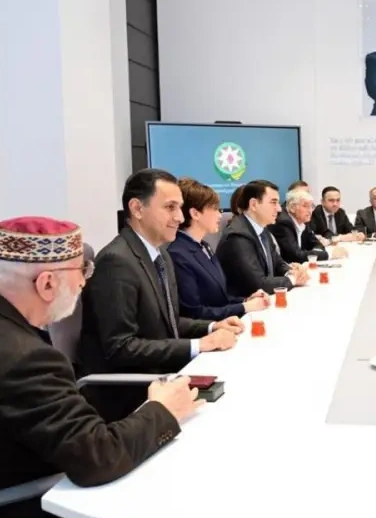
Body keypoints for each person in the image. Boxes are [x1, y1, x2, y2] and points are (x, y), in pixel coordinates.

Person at [0, 217, 203, 518]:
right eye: (82, 270)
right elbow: (99, 459)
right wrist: (163, 409)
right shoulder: (24, 360)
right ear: (47, 283)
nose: (84, 281)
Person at [80, 170, 243, 417]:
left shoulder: (160, 254)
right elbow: (121, 348)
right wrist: (199, 345)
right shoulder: (117, 261)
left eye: (180, 207)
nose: (180, 217)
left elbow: (168, 321)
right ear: (137, 208)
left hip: (162, 376)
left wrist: (211, 326)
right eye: (170, 207)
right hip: (131, 393)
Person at [168, 177, 271, 321]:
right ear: (195, 214)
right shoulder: (178, 254)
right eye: (215, 209)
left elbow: (220, 298)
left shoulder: (204, 246)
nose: (220, 214)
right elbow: (194, 313)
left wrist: (245, 300)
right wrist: (244, 307)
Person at [217, 179, 310, 295]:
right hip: (245, 303)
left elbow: (277, 263)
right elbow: (258, 284)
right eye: (273, 202)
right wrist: (293, 279)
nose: (279, 209)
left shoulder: (261, 227)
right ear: (253, 204)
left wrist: (291, 271)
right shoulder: (237, 236)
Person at [269, 188, 348, 263]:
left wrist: (316, 253)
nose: (310, 211)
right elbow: (296, 256)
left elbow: (316, 243)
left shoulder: (302, 220)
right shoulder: (283, 223)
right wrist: (330, 254)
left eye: (311, 206)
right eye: (305, 206)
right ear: (292, 208)